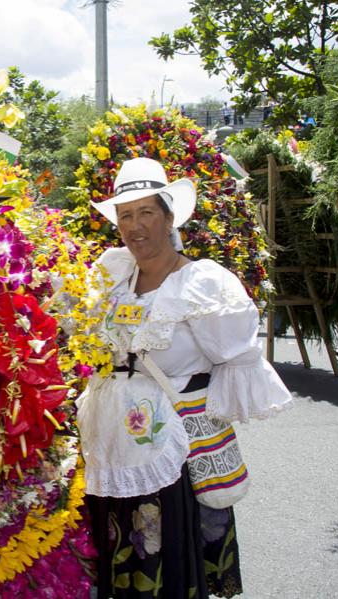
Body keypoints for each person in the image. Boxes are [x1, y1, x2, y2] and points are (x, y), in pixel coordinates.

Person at [75, 157, 293, 598]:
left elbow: (233, 360)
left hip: (170, 450)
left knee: (163, 553)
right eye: (125, 215)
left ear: (170, 217)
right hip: (107, 444)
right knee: (113, 547)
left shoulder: (202, 283)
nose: (135, 227)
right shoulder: (113, 274)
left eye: (147, 213)